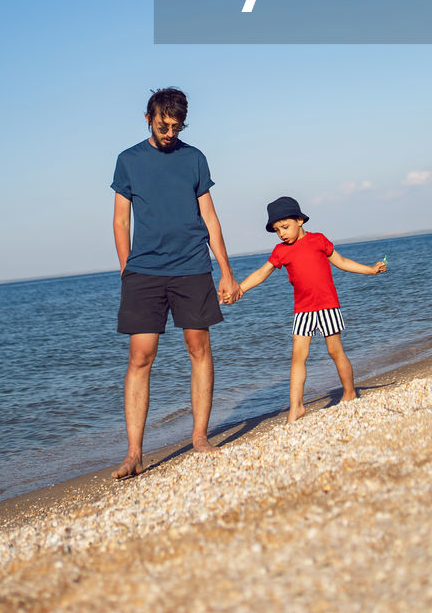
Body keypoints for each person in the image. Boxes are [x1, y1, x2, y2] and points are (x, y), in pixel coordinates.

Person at [110, 87, 241, 477]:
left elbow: (211, 219)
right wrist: (126, 270)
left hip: (191, 266)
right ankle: (134, 453)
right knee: (140, 357)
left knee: (198, 347)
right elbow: (120, 220)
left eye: (177, 126)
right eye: (164, 125)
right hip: (144, 272)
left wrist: (227, 271)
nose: (170, 132)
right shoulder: (128, 161)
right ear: (149, 118)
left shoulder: (194, 158)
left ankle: (200, 437)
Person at [228, 195, 386, 423]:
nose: (281, 233)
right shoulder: (281, 251)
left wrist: (370, 270)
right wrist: (239, 289)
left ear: (299, 221)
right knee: (298, 358)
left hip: (327, 306)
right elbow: (262, 273)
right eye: (276, 230)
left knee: (335, 351)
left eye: (284, 227)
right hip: (303, 311)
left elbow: (341, 262)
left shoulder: (319, 240)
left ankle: (350, 393)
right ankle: (297, 408)